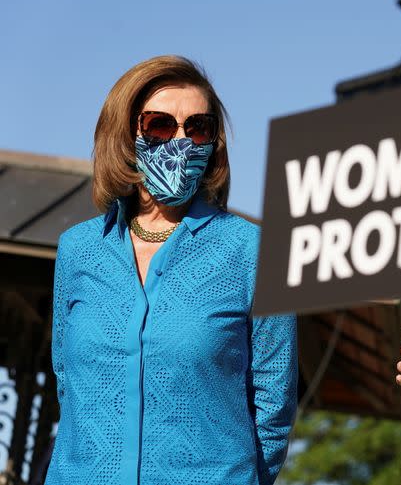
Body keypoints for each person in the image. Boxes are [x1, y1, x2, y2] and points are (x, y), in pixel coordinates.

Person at [46, 55, 298, 485]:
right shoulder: (78, 250)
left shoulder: (252, 252)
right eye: (160, 125)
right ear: (126, 134)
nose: (181, 141)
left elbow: (274, 404)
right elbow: (68, 385)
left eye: (198, 128)